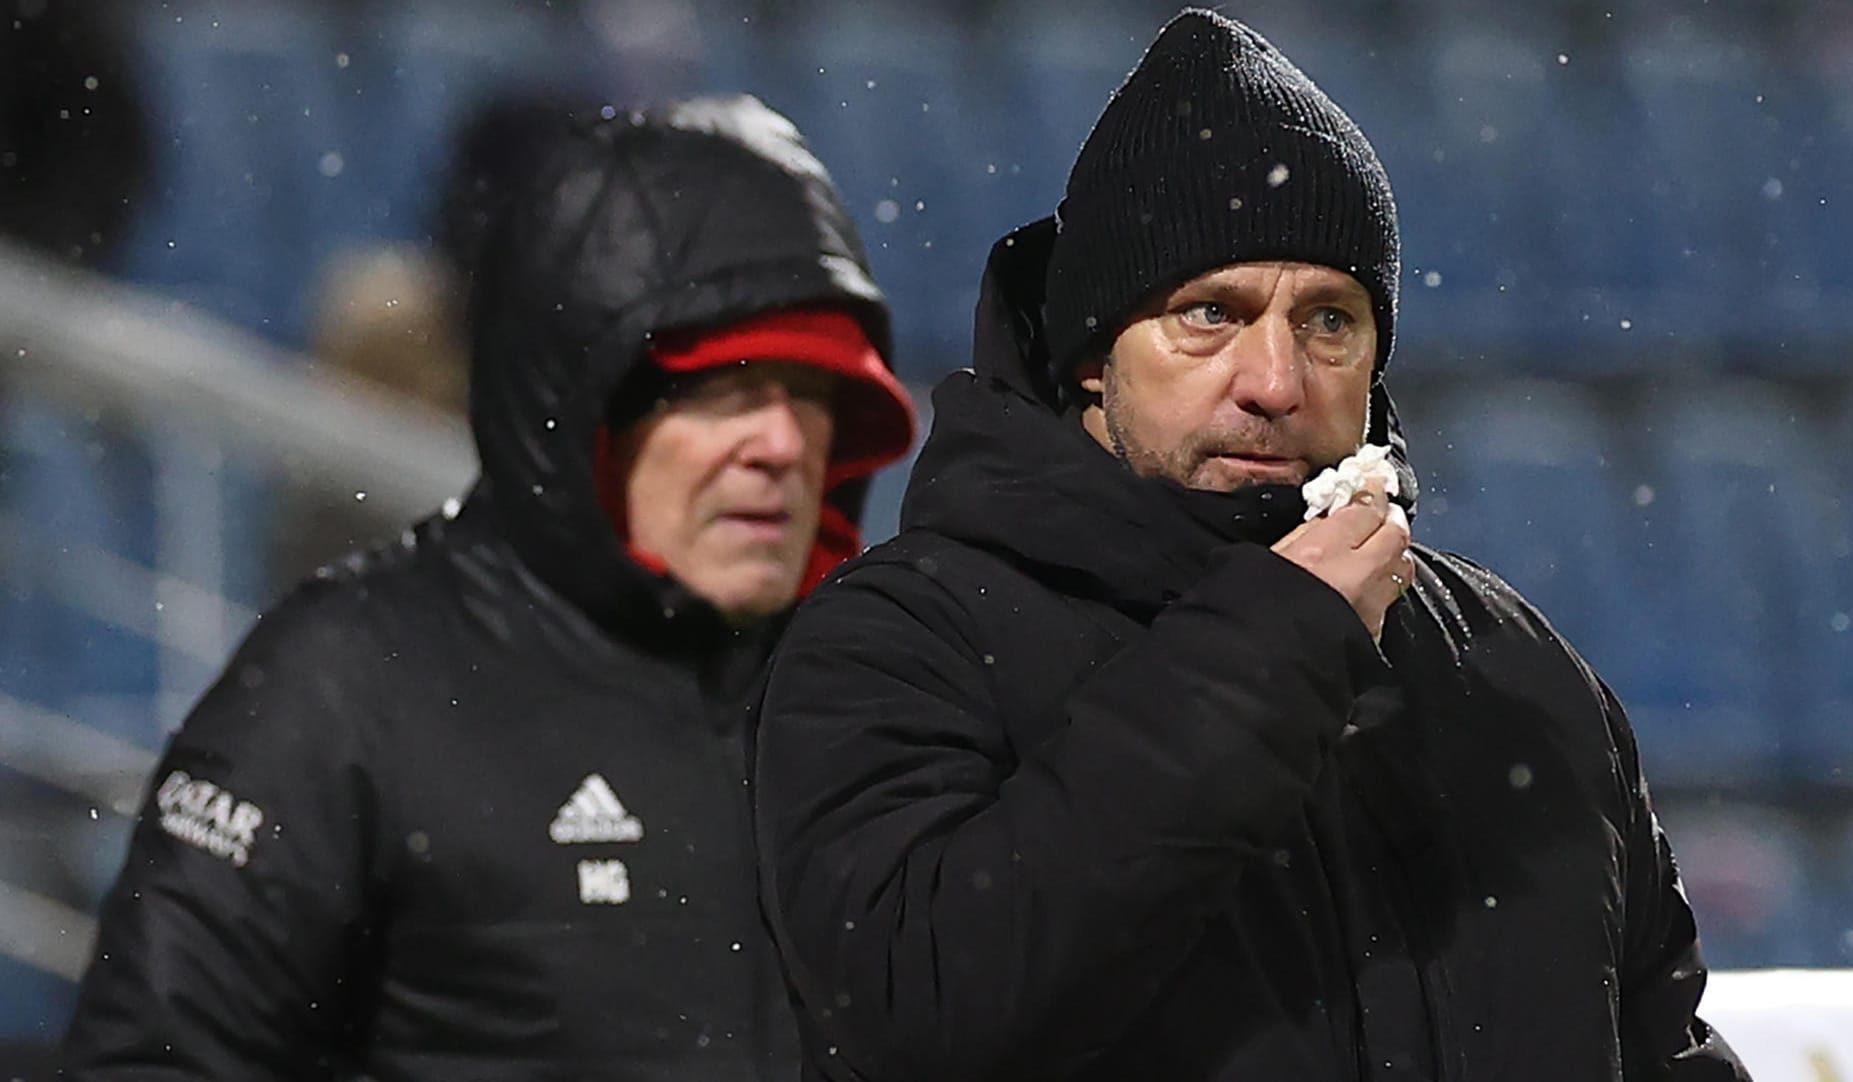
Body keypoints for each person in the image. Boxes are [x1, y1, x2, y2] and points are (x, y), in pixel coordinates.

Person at [752, 11, 1748, 1082]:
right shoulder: (900, 638)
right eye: (1210, 312)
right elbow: (921, 1015)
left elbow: (1662, 1045)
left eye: (1329, 320)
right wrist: (1275, 651)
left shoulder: (1515, 665)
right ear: (1095, 355)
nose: (1276, 380)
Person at [60, 94, 916, 1080]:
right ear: (571, 401)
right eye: (719, 387)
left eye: (814, 390)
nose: (780, 442)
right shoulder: (344, 686)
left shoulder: (882, 695)